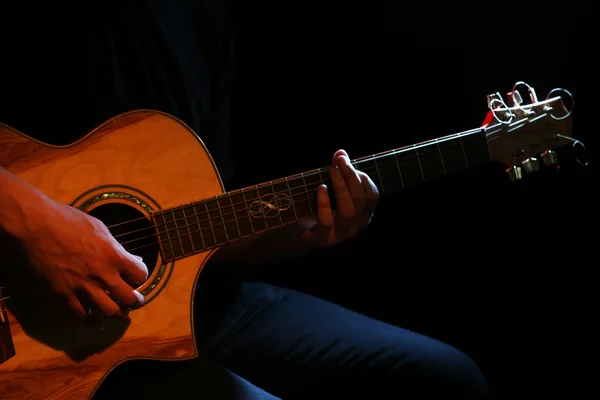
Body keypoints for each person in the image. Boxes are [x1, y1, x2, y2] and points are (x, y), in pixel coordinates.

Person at [0, 1, 489, 398]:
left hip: (192, 305)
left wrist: (305, 229)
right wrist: (33, 222)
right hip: (41, 335)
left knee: (444, 376)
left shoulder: (199, 21)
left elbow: (194, 228)